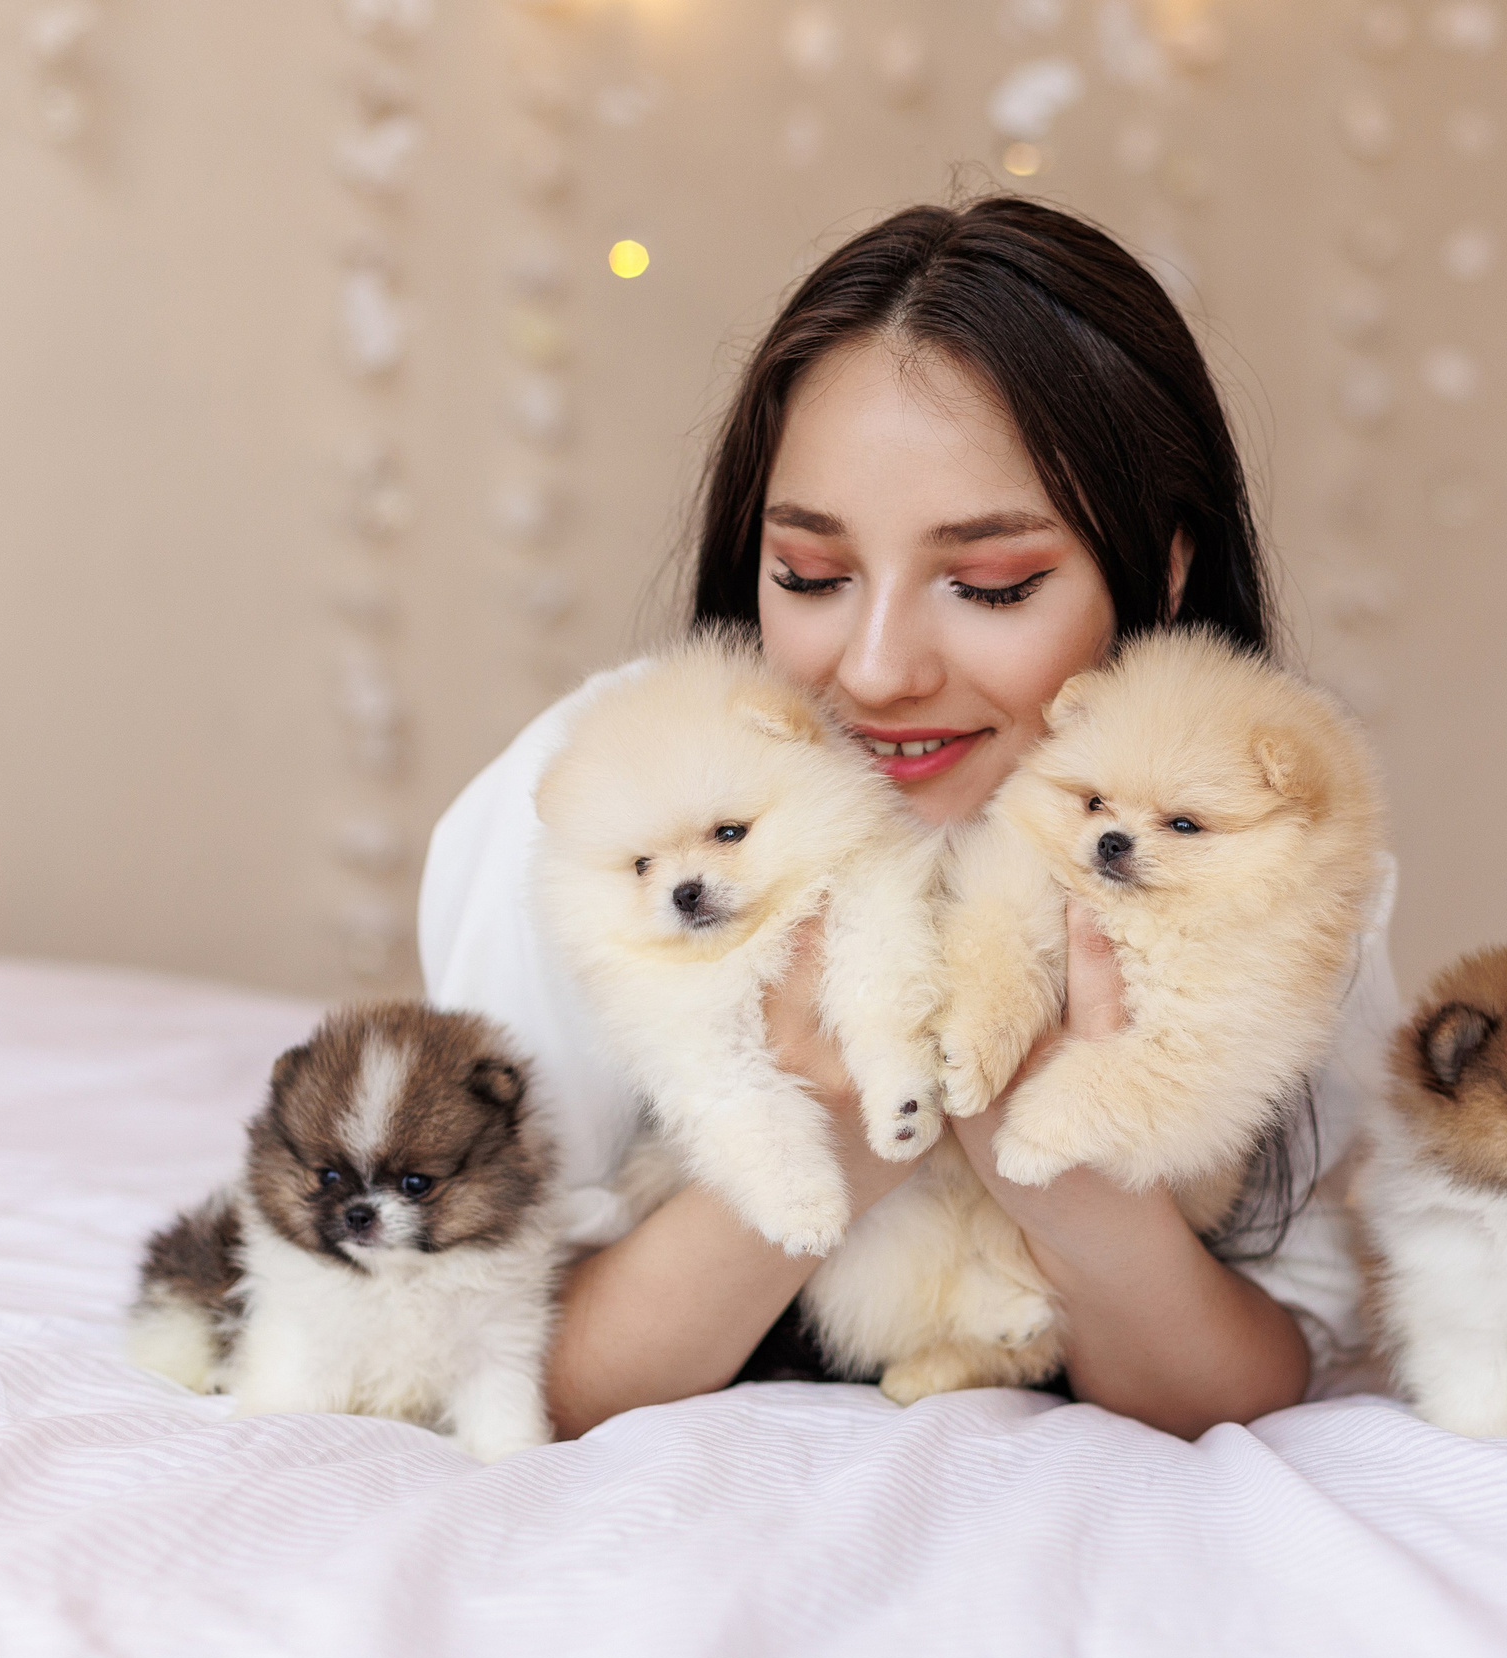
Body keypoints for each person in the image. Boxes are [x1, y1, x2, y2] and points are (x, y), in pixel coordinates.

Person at [420, 198, 1398, 1443]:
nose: (877, 669)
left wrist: (1064, 1160)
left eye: (990, 585)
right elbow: (499, 1365)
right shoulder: (609, 804)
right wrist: (833, 1121)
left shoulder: (1256, 834)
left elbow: (1255, 1364)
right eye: (812, 578)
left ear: (1161, 570)